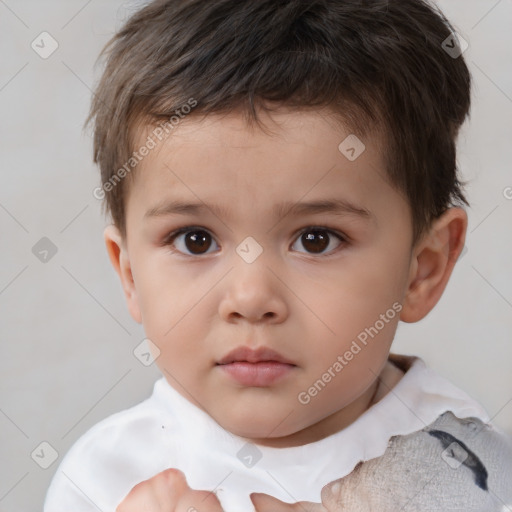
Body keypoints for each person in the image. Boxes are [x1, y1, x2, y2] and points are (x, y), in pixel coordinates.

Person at [44, 0, 512, 510]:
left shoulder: (465, 474)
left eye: (316, 239)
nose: (251, 298)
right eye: (195, 239)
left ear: (422, 269)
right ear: (130, 275)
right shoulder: (103, 480)